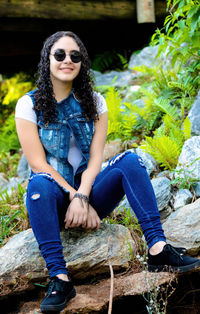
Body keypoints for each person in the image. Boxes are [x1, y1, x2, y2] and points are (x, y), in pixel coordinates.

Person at [15, 31, 200, 313]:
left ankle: (158, 249)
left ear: (82, 62)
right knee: (38, 182)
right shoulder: (29, 105)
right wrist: (74, 196)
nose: (68, 60)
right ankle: (60, 278)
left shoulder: (96, 102)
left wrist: (84, 197)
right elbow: (38, 164)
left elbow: (95, 160)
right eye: (60, 54)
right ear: (47, 60)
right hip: (53, 199)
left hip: (88, 199)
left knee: (130, 160)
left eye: (75, 55)